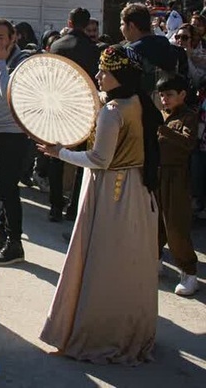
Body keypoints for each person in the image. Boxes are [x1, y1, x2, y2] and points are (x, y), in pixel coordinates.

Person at [37, 46, 160, 364]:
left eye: (104, 71)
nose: (98, 76)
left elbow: (98, 159)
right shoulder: (140, 102)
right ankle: (131, 328)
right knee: (129, 265)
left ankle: (101, 333)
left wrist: (58, 152)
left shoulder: (113, 110)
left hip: (111, 193)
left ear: (118, 75)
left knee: (103, 265)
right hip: (136, 190)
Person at [0, 19, 31, 265]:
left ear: (13, 37)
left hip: (12, 134)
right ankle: (3, 232)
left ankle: (15, 242)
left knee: (8, 188)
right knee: (0, 187)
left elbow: (8, 93)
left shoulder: (18, 62)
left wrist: (0, 61)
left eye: (1, 36)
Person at [48, 8, 101, 222]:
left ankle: (54, 205)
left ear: (69, 22)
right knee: (81, 157)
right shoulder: (92, 49)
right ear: (85, 24)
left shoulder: (57, 46)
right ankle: (74, 207)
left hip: (59, 105)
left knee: (54, 155)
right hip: (83, 108)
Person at [154, 75, 199, 296]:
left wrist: (163, 130)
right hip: (157, 175)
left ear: (182, 94)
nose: (165, 99)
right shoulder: (160, 114)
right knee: (154, 223)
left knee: (176, 226)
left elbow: (188, 143)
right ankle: (156, 260)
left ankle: (189, 273)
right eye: (162, 95)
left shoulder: (189, 117)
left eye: (169, 94)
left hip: (177, 177)